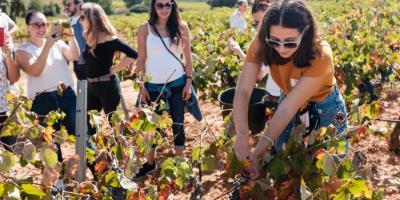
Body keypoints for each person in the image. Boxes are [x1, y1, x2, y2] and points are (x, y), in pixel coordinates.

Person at [233, 0, 348, 179]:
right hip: (288, 99)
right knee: (282, 152)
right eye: (274, 41)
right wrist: (241, 135)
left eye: (290, 42)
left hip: (327, 107)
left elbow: (288, 108)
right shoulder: (261, 42)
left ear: (306, 30)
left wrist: (256, 153)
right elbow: (243, 91)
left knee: (332, 164)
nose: (281, 48)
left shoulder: (321, 54)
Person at [135, 0, 201, 179]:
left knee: (178, 123)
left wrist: (188, 82)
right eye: (159, 5)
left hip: (177, 83)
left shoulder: (182, 27)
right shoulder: (145, 28)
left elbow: (188, 58)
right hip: (152, 86)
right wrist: (142, 86)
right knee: (150, 127)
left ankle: (180, 163)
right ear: (153, 7)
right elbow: (141, 60)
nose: (164, 9)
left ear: (173, 6)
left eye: (167, 5)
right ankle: (150, 164)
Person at [15, 10, 80, 160]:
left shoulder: (57, 44)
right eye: (36, 24)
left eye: (44, 24)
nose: (41, 28)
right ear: (27, 27)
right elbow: (36, 71)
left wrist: (71, 36)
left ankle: (98, 173)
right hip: (42, 102)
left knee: (82, 135)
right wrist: (48, 46)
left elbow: (74, 55)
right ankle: (58, 182)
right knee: (50, 146)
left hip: (67, 96)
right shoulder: (22, 50)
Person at [80, 3, 137, 136]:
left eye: (83, 17)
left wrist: (115, 68)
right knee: (89, 122)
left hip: (107, 86)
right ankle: (93, 153)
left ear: (92, 18)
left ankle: (119, 153)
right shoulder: (89, 37)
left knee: (114, 123)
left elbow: (133, 54)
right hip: (91, 86)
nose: (80, 20)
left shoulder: (109, 39)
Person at [228, 0, 280, 104]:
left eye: (264, 21)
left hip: (280, 96)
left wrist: (238, 51)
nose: (260, 27)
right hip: (272, 94)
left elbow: (258, 74)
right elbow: (259, 74)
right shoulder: (265, 43)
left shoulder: (277, 44)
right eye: (257, 23)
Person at [0, 26, 20, 152]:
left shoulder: (2, 50)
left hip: (5, 111)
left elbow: (13, 78)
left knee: (9, 154)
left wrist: (8, 56)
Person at [65, 0, 87, 80]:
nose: (67, 7)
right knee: (82, 89)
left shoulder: (87, 19)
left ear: (78, 4)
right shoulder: (67, 22)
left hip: (89, 62)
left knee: (93, 90)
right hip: (76, 63)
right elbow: (66, 43)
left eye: (69, 4)